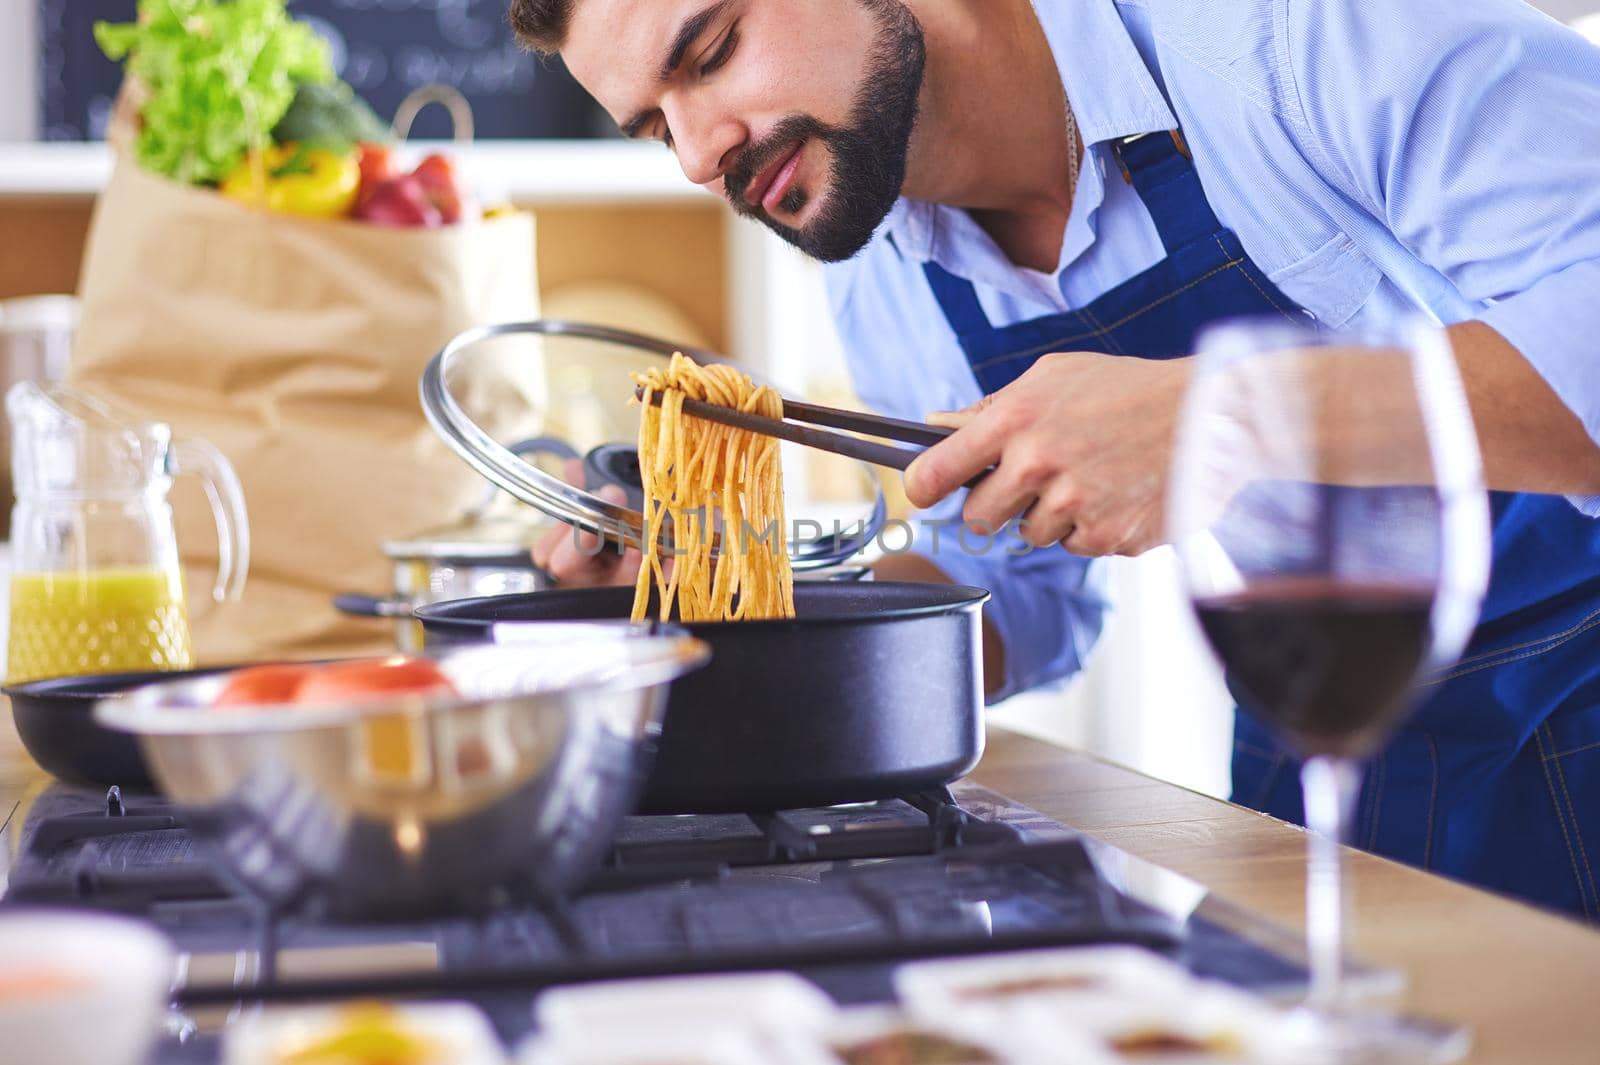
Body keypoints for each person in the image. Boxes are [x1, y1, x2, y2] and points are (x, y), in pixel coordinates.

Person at [517, 0, 1600, 920]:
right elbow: (1011, 585)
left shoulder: (1289, 33)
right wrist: (728, 614)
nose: (701, 152)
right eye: (656, 130)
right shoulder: (884, 266)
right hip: (1315, 753)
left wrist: (1231, 416)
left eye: (710, 53)